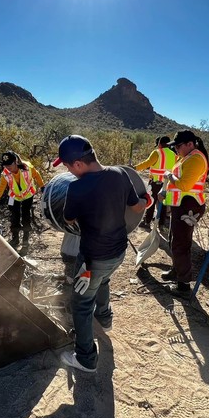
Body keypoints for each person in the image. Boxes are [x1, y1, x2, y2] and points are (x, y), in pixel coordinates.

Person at [53, 135, 148, 372]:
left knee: (81, 303)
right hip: (118, 252)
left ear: (77, 164)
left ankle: (85, 359)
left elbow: (68, 218)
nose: (68, 171)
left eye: (66, 166)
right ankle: (105, 319)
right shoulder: (120, 174)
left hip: (93, 259)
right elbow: (137, 206)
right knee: (104, 280)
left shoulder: (76, 188)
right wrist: (147, 199)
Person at [158, 130, 209, 298]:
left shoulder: (196, 158)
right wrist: (166, 192)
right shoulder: (186, 157)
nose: (176, 150)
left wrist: (169, 176)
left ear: (190, 144)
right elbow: (178, 184)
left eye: (178, 146)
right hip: (180, 205)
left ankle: (184, 285)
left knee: (181, 243)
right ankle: (177, 270)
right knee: (175, 240)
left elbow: (185, 185)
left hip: (189, 205)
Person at [0, 151, 45, 246]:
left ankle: (25, 240)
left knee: (26, 217)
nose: (7, 168)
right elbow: (0, 189)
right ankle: (15, 239)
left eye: (9, 165)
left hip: (28, 195)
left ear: (16, 162)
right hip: (14, 197)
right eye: (5, 165)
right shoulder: (5, 174)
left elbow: (36, 175)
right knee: (14, 218)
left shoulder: (27, 168)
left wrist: (42, 186)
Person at [134, 135, 176, 229]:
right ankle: (161, 224)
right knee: (164, 203)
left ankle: (147, 222)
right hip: (167, 183)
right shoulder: (174, 154)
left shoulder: (157, 152)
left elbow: (147, 163)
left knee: (151, 202)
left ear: (159, 144)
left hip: (155, 182)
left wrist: (134, 168)